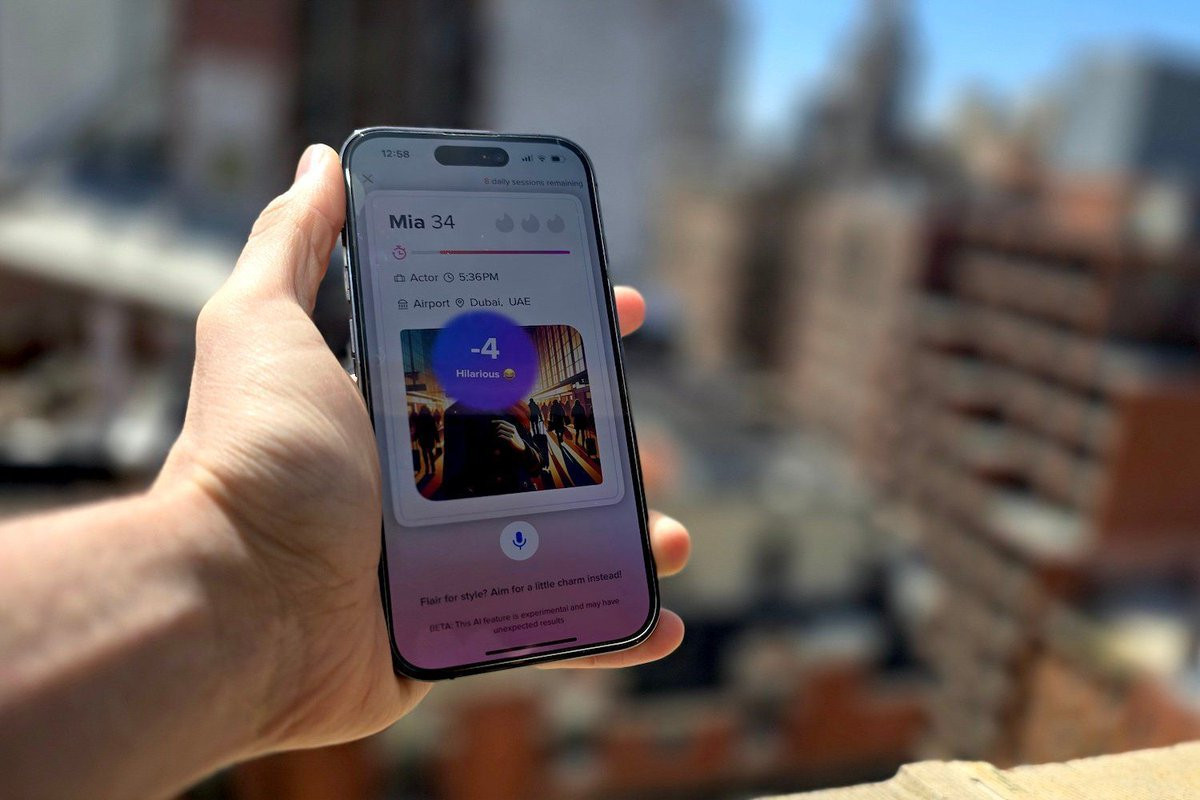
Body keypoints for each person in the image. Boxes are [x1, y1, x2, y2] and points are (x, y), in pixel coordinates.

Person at [0, 144, 691, 800]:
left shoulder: (493, 417)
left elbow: (504, 470)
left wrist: (243, 575)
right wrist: (247, 561)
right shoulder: (469, 419)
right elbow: (464, 474)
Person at [436, 401, 541, 499]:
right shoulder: (458, 413)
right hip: (485, 502)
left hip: (522, 497)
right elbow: (453, 483)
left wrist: (524, 448)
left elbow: (537, 469)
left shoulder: (516, 408)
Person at [413, 405, 440, 476]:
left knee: (424, 453)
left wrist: (415, 437)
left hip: (422, 439)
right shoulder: (430, 417)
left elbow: (417, 429)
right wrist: (437, 439)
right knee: (430, 452)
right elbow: (434, 429)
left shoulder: (419, 418)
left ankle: (427, 468)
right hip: (430, 438)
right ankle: (433, 467)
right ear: (427, 410)